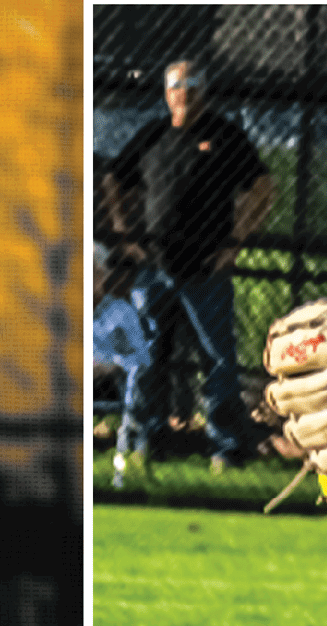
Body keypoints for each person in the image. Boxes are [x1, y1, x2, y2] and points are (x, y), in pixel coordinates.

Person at [102, 59, 275, 484]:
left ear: (204, 91)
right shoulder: (152, 135)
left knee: (218, 361)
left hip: (206, 271)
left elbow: (263, 188)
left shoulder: (226, 136)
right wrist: (126, 235)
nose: (185, 92)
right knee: (146, 360)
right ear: (167, 92)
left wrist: (235, 242)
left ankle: (225, 449)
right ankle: (143, 444)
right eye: (177, 85)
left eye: (193, 84)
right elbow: (114, 180)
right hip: (155, 270)